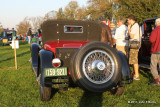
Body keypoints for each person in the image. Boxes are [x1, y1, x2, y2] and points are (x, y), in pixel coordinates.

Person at [127, 15, 141, 80]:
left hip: (134, 45)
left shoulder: (135, 26)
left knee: (134, 60)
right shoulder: (137, 26)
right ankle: (135, 73)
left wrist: (129, 29)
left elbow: (132, 36)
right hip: (137, 44)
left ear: (131, 19)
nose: (128, 21)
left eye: (128, 20)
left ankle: (137, 75)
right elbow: (140, 34)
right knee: (134, 59)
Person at [149, 18, 160, 86]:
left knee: (153, 66)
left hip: (156, 50)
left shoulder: (155, 30)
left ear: (156, 24)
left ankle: (157, 80)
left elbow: (151, 40)